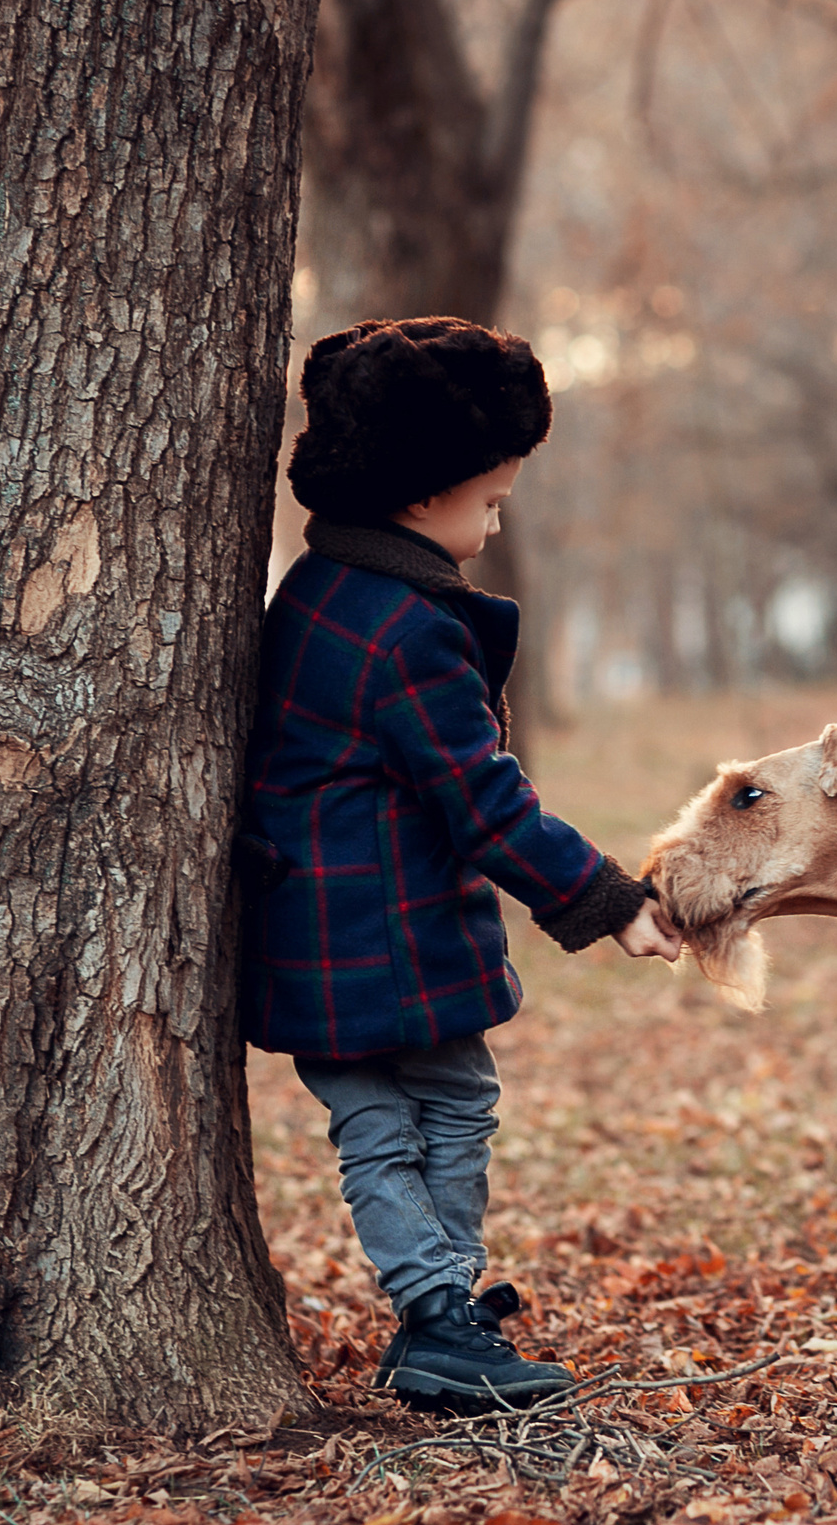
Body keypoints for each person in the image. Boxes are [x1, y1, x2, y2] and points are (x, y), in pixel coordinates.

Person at [238, 317, 683, 1413]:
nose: (495, 519)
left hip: (317, 933)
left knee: (383, 1122)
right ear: (418, 495)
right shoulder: (409, 633)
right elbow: (485, 802)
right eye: (488, 500)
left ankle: (440, 1309)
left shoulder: (318, 594)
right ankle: (438, 1317)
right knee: (430, 1115)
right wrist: (609, 900)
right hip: (384, 935)